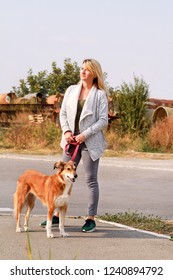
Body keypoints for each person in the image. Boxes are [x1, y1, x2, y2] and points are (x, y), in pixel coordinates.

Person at [40, 58, 108, 232]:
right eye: (82, 68)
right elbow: (63, 114)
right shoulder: (71, 90)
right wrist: (67, 132)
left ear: (94, 73)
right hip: (71, 141)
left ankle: (90, 218)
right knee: (60, 176)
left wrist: (84, 135)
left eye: (87, 69)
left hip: (89, 142)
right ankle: (55, 215)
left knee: (90, 180)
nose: (83, 72)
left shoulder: (99, 95)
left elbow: (103, 121)